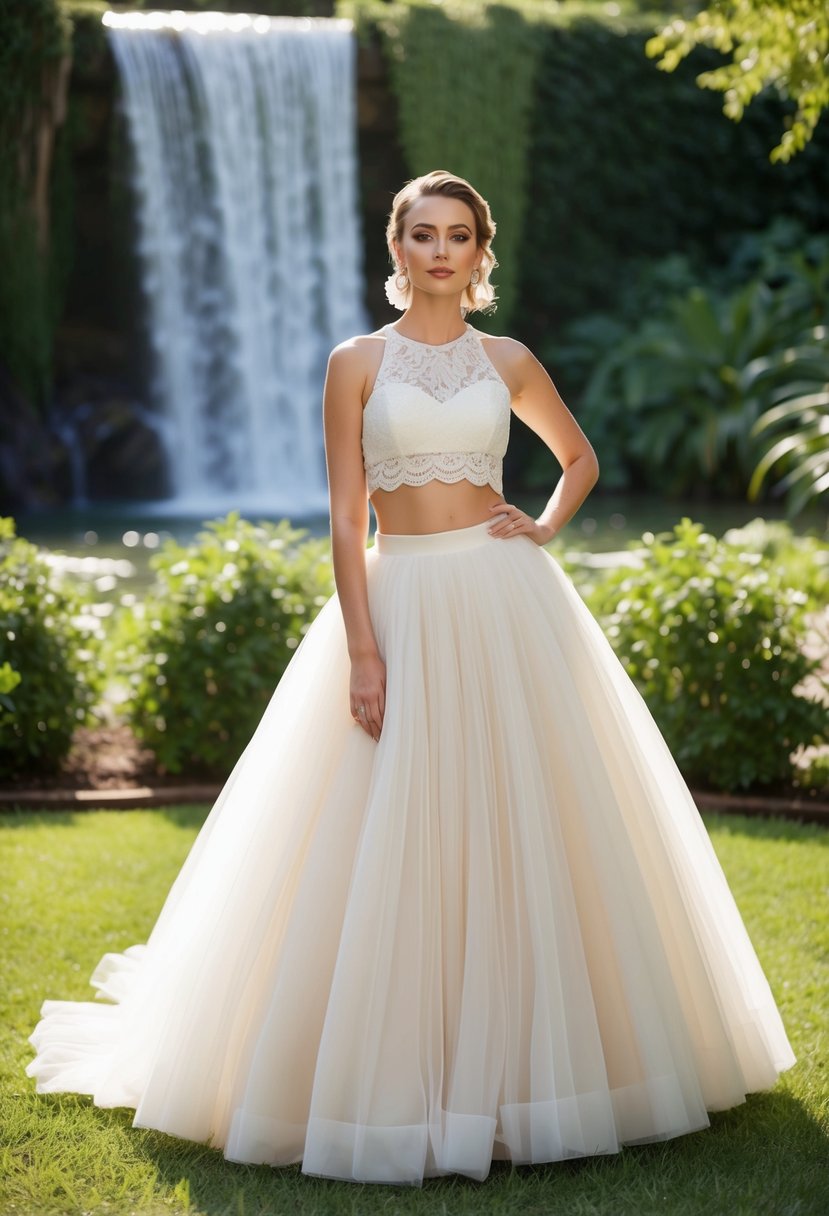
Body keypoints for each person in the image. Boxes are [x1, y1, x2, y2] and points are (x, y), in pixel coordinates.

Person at [27, 170, 795, 1187]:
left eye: (459, 236)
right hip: (400, 600)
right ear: (396, 249)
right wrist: (365, 647)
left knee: (528, 828)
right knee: (382, 832)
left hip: (507, 600)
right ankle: (381, 1072)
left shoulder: (506, 357)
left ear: (481, 254)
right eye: (422, 234)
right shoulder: (354, 363)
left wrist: (545, 524)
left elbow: (578, 458)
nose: (440, 251)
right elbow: (347, 521)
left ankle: (536, 1073)